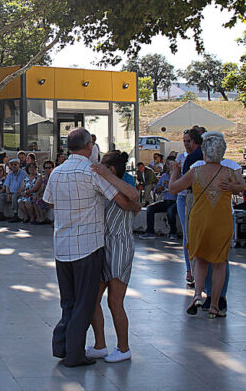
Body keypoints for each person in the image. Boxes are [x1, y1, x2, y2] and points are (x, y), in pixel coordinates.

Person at [42, 128, 137, 367]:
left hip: (61, 246)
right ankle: (74, 353)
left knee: (69, 301)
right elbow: (124, 200)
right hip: (88, 246)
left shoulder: (56, 172)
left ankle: (64, 346)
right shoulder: (92, 172)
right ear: (88, 147)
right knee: (85, 301)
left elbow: (49, 200)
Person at [169, 131, 245, 319]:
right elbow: (243, 186)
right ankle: (214, 305)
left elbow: (173, 188)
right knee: (219, 263)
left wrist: (174, 172)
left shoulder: (196, 171)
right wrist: (233, 188)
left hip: (199, 220)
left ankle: (197, 295)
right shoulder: (230, 172)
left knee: (200, 259)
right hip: (222, 220)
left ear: (205, 152)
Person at [88, 151, 141, 363]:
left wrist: (108, 175)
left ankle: (123, 347)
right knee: (93, 298)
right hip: (103, 243)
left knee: (114, 301)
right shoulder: (103, 186)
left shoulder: (123, 183)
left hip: (120, 244)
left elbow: (134, 198)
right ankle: (100, 344)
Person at [177, 128, 204, 287]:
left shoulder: (193, 159)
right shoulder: (186, 157)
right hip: (186, 198)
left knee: (189, 236)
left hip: (190, 197)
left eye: (188, 141)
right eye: (184, 141)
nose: (186, 144)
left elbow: (179, 185)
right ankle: (191, 271)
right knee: (189, 236)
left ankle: (193, 272)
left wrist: (174, 174)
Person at [140, 156, 179, 240]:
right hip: (165, 200)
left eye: (172, 164)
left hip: (175, 201)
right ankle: (150, 232)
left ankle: (173, 232)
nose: (170, 166)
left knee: (170, 212)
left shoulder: (179, 175)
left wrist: (170, 183)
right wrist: (158, 189)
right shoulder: (164, 176)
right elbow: (156, 189)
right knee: (150, 208)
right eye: (168, 164)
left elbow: (180, 189)